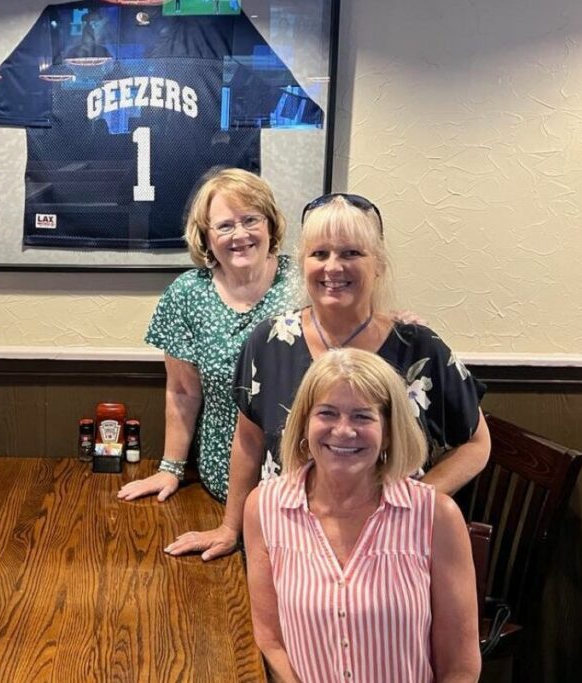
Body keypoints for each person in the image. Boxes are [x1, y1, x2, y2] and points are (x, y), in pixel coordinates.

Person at [169, 193, 490, 560]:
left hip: (390, 551)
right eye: (319, 254)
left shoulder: (419, 347)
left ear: (378, 264)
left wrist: (417, 502)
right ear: (302, 264)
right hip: (286, 546)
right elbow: (248, 442)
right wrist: (231, 527)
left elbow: (477, 444)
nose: (333, 267)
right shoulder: (269, 341)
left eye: (351, 253)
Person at [243, 348, 480, 682]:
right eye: (327, 413)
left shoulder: (436, 517)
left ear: (388, 430)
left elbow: (461, 668)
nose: (343, 431)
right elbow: (270, 640)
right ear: (304, 424)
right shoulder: (263, 508)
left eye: (362, 416)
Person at [117, 167, 298, 505]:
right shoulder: (187, 294)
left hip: (304, 477)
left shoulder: (304, 283)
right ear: (206, 236)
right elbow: (183, 391)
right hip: (223, 479)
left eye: (251, 220)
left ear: (270, 224)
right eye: (225, 226)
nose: (239, 234)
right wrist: (171, 468)